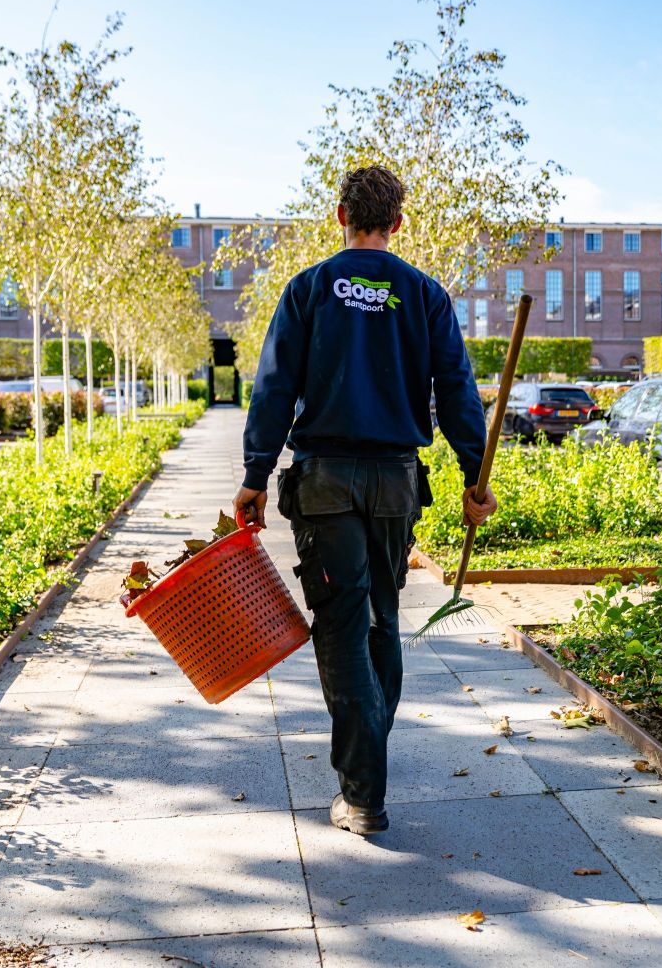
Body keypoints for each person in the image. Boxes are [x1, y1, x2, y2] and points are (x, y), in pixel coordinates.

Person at [235, 165, 496, 835]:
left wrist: (256, 476)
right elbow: (458, 392)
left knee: (345, 627)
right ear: (398, 223)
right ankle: (366, 770)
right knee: (380, 617)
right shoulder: (422, 294)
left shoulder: (310, 290)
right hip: (393, 484)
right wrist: (474, 473)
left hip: (323, 482)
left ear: (339, 216)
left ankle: (362, 791)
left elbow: (272, 390)